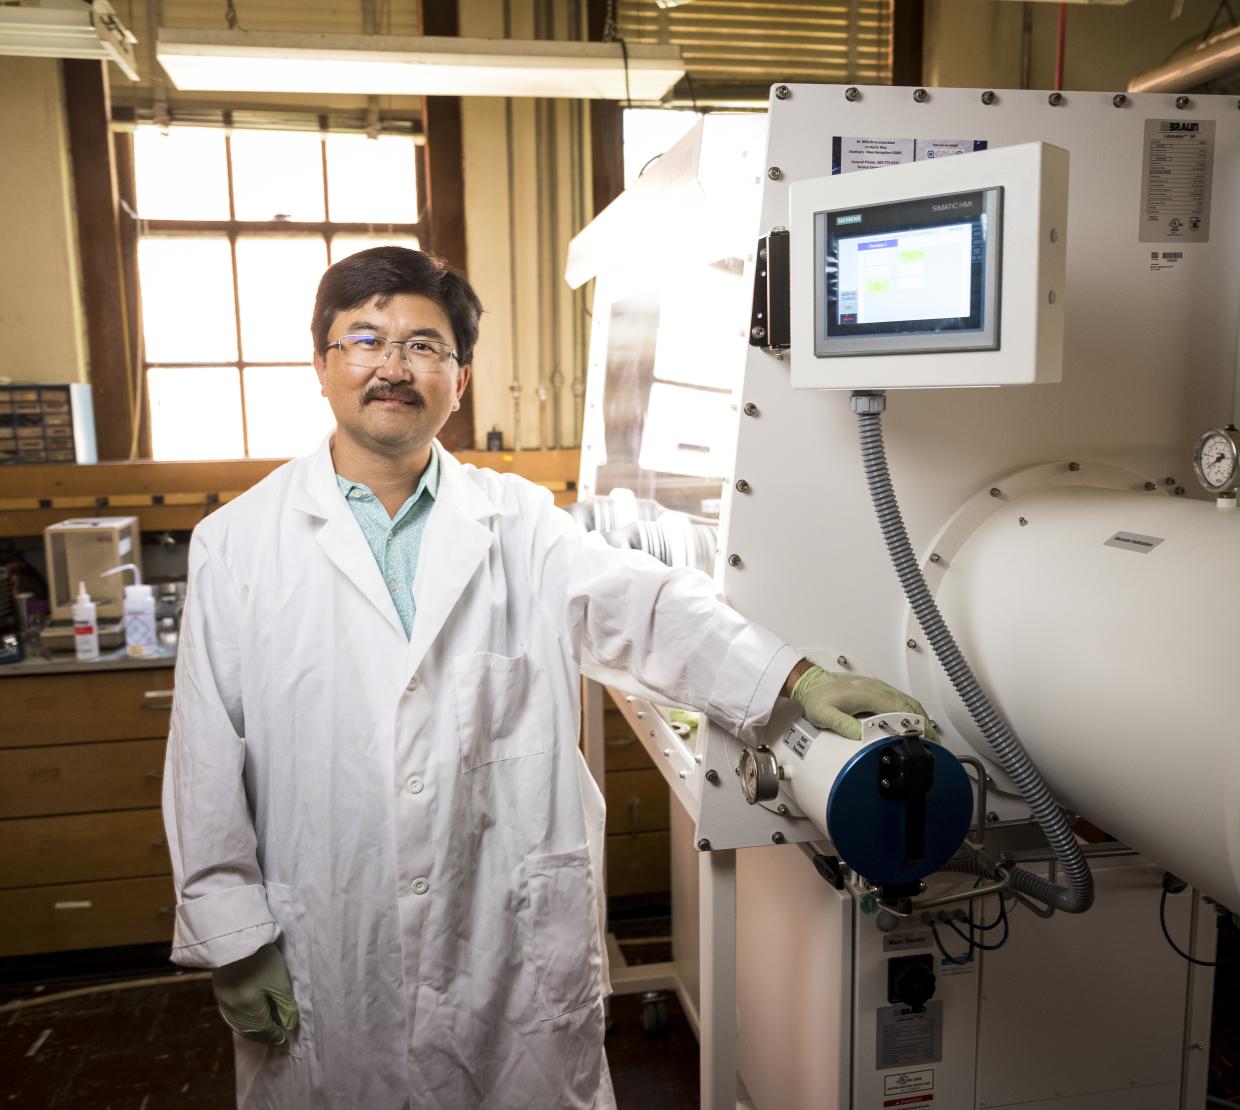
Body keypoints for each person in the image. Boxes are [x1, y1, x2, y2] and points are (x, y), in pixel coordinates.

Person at [162, 246, 930, 1110]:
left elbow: (645, 607)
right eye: (365, 340)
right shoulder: (239, 544)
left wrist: (791, 679)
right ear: (321, 365)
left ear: (459, 378)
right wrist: (233, 936)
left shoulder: (515, 519)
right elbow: (203, 762)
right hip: (332, 939)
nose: (393, 366)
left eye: (424, 345)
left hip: (501, 942)